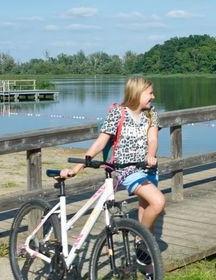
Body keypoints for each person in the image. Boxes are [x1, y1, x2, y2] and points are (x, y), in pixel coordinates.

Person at [61, 76, 165, 240]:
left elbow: (153, 139)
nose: (154, 97)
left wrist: (150, 155)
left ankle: (146, 260)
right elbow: (100, 143)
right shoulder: (118, 112)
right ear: (137, 93)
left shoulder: (151, 113)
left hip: (148, 166)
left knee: (146, 209)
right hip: (127, 169)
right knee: (158, 202)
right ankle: (140, 239)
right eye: (150, 93)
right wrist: (76, 169)